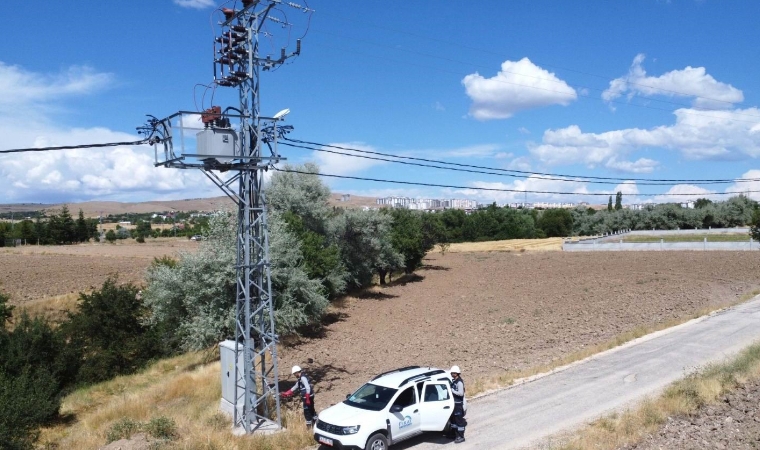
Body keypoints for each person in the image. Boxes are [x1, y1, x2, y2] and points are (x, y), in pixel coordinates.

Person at [449, 365, 466, 443]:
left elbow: (461, 393)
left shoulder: (459, 382)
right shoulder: (454, 381)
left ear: (457, 373)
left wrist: (452, 391)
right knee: (454, 420)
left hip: (458, 404)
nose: (452, 374)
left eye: (453, 373)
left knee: (459, 421)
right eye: (452, 372)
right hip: (454, 404)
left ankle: (461, 436)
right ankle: (454, 435)